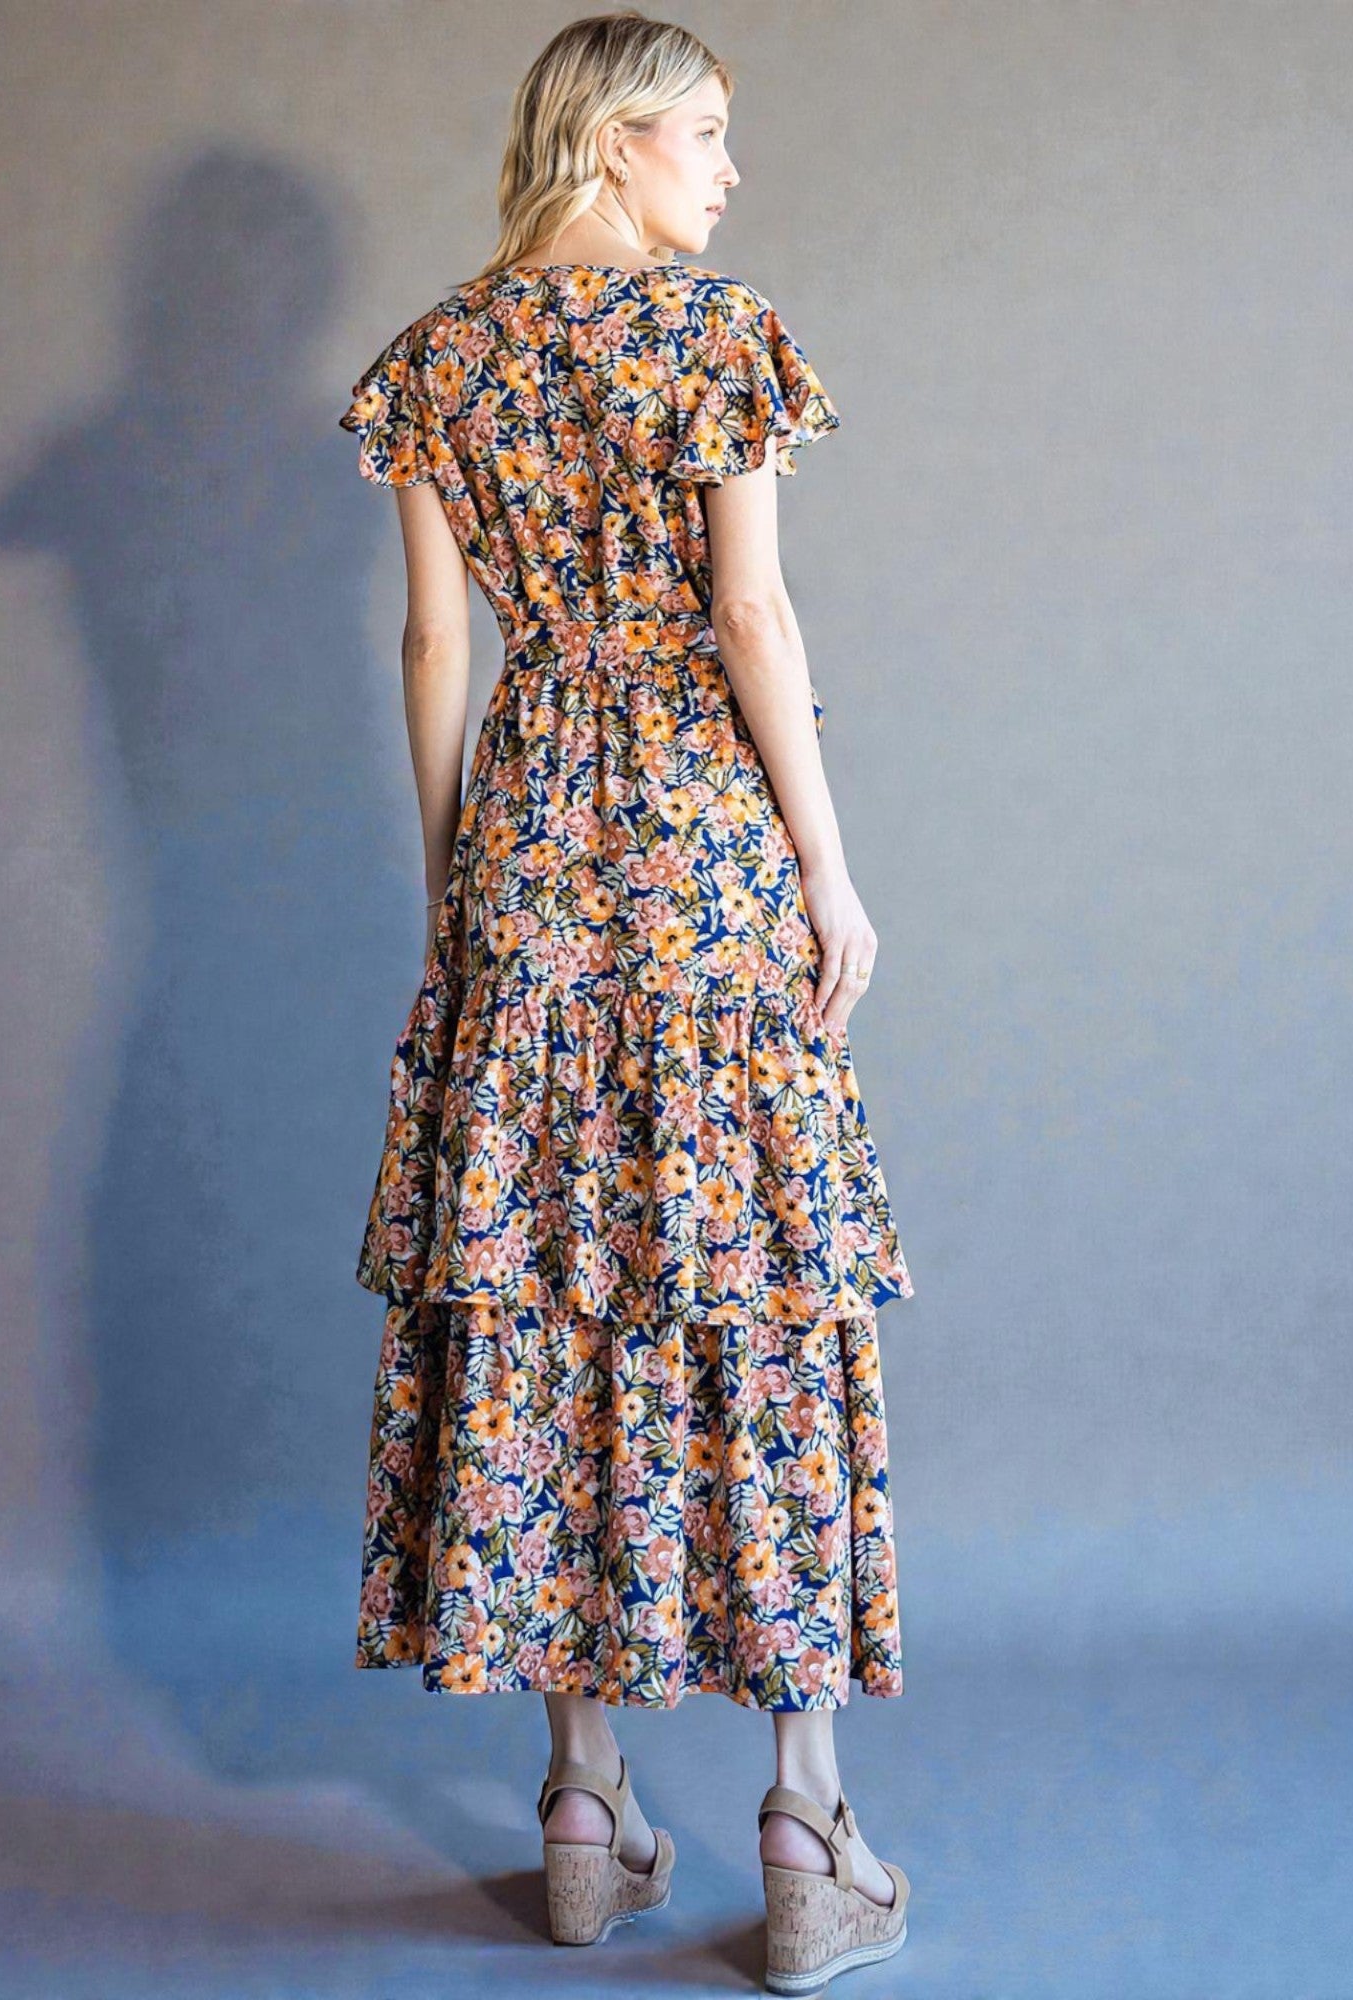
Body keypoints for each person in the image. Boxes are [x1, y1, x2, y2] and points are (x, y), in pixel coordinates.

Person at [338, 12, 915, 1991]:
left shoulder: (435, 358)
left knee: (547, 1276)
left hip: (525, 841)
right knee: (748, 1278)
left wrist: (456, 891)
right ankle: (805, 1822)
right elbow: (748, 611)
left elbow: (434, 648)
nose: (731, 173)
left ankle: (580, 1805)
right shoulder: (710, 334)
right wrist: (827, 865)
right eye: (707, 135)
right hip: (696, 837)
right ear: (612, 141)